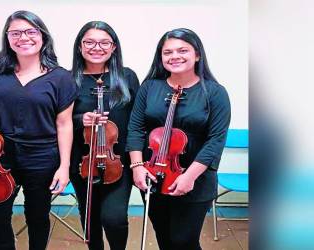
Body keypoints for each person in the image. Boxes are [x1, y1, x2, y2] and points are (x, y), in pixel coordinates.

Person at [0, 10, 77, 250]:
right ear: (8, 38)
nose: (23, 37)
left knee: (37, 216)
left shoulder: (61, 78)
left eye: (30, 31)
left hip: (42, 157)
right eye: (15, 33)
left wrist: (64, 167)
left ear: (42, 36)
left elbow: (64, 124)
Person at [126, 28, 231, 250]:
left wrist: (189, 177)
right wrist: (137, 167)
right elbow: (135, 128)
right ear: (160, 57)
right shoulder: (150, 87)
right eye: (168, 52)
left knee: (184, 241)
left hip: (196, 178)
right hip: (154, 173)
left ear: (197, 55)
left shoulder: (214, 92)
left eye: (182, 50)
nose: (175, 56)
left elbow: (216, 140)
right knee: (164, 238)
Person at [69, 21, 140, 250]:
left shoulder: (127, 77)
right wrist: (82, 120)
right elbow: (57, 120)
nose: (96, 47)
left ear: (114, 47)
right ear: (80, 46)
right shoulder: (68, 79)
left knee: (114, 217)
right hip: (82, 160)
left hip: (118, 160)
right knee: (89, 218)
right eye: (89, 41)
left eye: (104, 42)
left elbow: (138, 120)